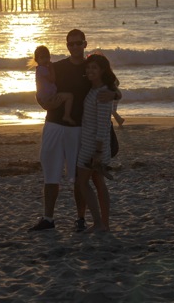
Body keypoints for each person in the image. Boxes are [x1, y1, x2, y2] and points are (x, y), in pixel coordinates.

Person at [28, 29, 120, 232]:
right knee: (50, 173)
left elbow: (109, 83)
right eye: (71, 44)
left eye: (79, 43)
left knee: (79, 179)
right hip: (53, 124)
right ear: (67, 46)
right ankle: (48, 218)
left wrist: (114, 94)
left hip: (79, 130)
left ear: (85, 44)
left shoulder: (89, 69)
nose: (75, 47)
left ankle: (80, 218)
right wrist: (40, 100)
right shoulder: (57, 67)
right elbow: (41, 85)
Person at [75, 54, 118, 232]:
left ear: (102, 70)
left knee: (82, 183)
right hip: (91, 144)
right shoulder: (96, 89)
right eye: (88, 67)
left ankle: (99, 223)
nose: (90, 70)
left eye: (94, 68)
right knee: (99, 183)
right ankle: (104, 224)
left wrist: (98, 152)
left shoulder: (102, 93)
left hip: (93, 147)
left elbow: (103, 125)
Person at [32, 45, 75, 125]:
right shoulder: (42, 69)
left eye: (47, 57)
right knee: (69, 96)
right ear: (36, 60)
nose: (45, 60)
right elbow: (52, 79)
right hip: (49, 96)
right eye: (42, 58)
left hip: (46, 96)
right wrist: (51, 68)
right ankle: (66, 115)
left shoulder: (40, 69)